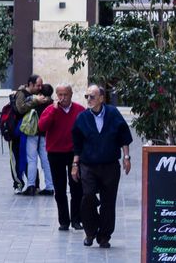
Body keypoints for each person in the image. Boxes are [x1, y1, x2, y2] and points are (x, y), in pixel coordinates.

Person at [70, 84, 133, 248]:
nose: (89, 100)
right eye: (87, 97)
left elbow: (124, 137)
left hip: (109, 165)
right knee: (88, 197)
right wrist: (75, 165)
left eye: (92, 96)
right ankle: (90, 232)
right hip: (88, 165)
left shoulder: (113, 113)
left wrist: (126, 157)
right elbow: (77, 144)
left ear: (101, 98)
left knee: (108, 201)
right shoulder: (82, 117)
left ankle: (104, 236)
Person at [39, 83, 85, 233]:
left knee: (76, 187)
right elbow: (42, 126)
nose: (62, 98)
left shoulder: (79, 110)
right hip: (55, 153)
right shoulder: (50, 109)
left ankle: (76, 219)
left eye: (65, 95)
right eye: (60, 95)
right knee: (59, 189)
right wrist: (53, 110)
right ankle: (64, 221)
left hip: (74, 153)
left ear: (71, 94)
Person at [11, 74, 51, 194]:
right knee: (27, 159)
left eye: (41, 85)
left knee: (34, 160)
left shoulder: (39, 96)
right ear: (30, 84)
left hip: (34, 133)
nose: (40, 88)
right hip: (24, 132)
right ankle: (26, 185)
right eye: (38, 85)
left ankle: (35, 186)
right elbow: (20, 109)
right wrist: (35, 101)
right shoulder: (22, 94)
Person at [30, 84, 55, 196]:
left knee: (31, 159)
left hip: (34, 133)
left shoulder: (36, 102)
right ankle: (50, 186)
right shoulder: (52, 104)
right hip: (46, 135)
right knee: (46, 161)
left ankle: (31, 185)